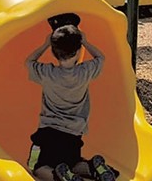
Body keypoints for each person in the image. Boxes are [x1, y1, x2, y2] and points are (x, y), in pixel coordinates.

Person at [25, 19, 117, 181]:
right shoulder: (85, 72)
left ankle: (61, 178)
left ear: (54, 51)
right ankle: (92, 168)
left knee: (36, 167)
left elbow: (29, 61)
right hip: (74, 133)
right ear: (78, 50)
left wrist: (46, 43)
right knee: (73, 162)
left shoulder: (47, 73)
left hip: (48, 132)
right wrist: (86, 42)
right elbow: (100, 57)